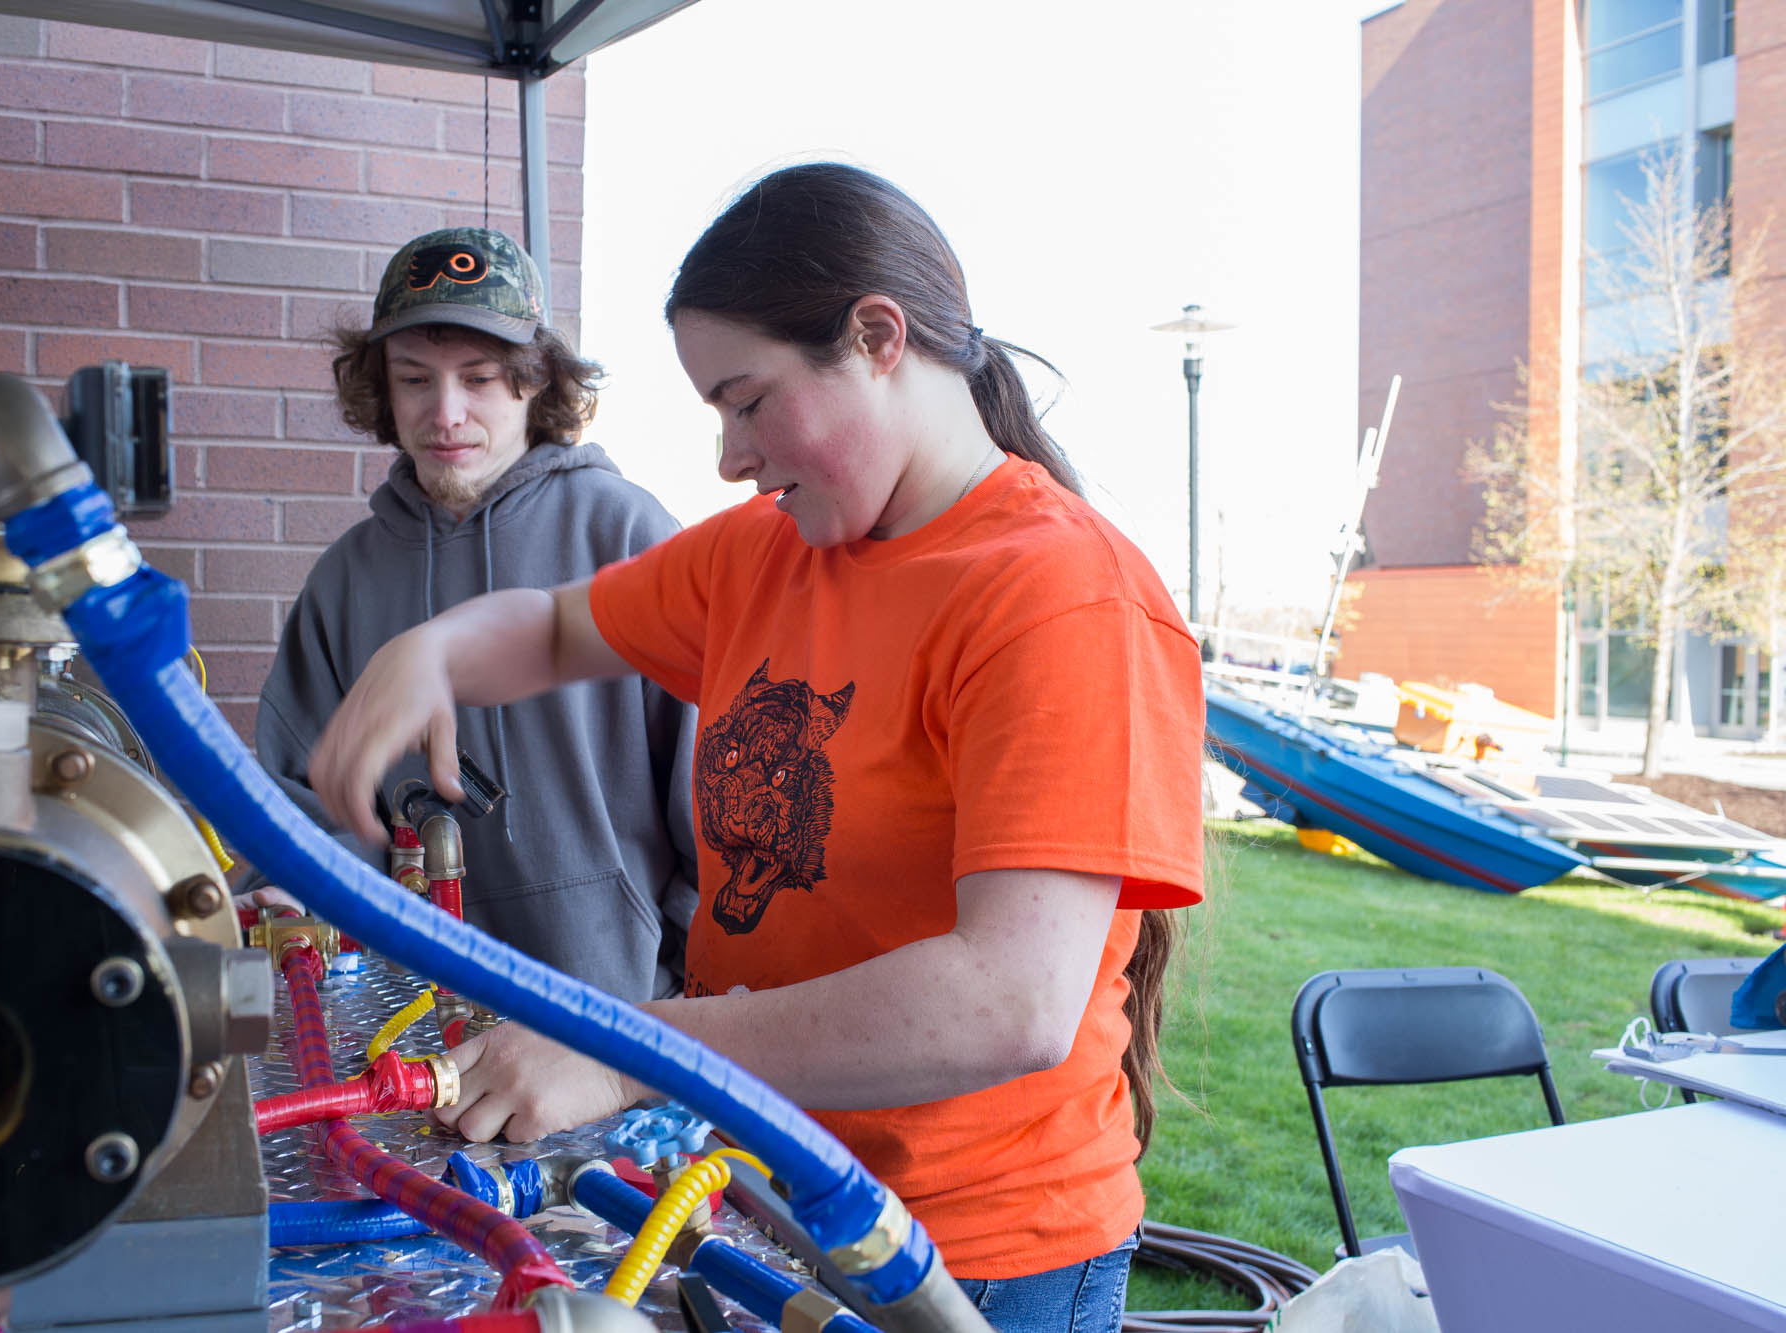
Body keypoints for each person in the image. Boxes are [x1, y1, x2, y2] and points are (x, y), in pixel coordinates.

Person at [305, 166, 1205, 1330]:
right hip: (765, 1193)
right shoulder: (762, 555)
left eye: (745, 400)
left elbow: (1009, 999)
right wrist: (427, 651)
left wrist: (627, 1047)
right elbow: (555, 625)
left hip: (968, 1250)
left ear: (876, 337)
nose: (729, 456)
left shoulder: (1055, 596)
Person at [249, 225, 698, 1003]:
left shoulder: (628, 536)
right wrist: (295, 891)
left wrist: (684, 1002)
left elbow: (719, 803)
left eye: (480, 378)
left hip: (620, 1025)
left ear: (535, 381)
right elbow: (300, 809)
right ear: (381, 392)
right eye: (415, 379)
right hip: (401, 1030)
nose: (445, 413)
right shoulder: (343, 581)